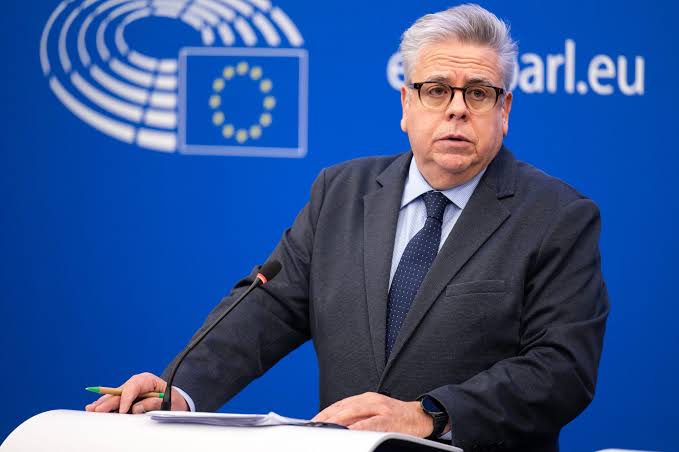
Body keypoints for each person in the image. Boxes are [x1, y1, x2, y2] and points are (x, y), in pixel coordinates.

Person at [86, 4, 609, 451]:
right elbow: (269, 308)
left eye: (478, 93)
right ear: (406, 103)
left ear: (504, 109)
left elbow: (562, 370)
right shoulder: (340, 192)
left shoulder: (557, 216)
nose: (456, 109)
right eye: (436, 90)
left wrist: (430, 414)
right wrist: (180, 390)